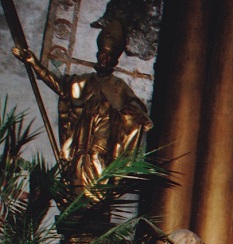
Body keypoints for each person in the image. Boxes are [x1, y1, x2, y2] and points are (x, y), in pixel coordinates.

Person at [12, 19, 153, 199]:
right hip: (81, 140)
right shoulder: (83, 81)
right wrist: (34, 63)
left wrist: (143, 119)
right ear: (98, 54)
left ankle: (95, 202)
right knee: (77, 168)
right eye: (102, 55)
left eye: (109, 57)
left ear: (115, 60)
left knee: (97, 168)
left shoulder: (119, 87)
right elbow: (58, 84)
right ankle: (76, 200)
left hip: (102, 143)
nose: (104, 60)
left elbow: (133, 108)